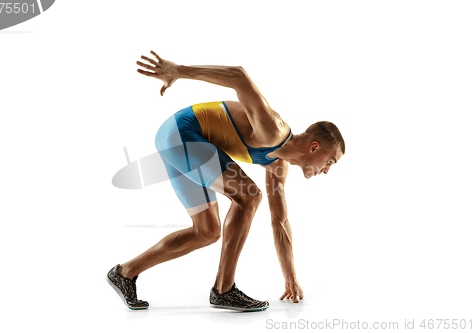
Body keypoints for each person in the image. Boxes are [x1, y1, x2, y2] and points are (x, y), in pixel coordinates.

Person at [106, 51, 345, 312]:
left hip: (181, 144)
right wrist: (179, 70)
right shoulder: (274, 130)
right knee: (249, 196)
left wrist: (290, 278)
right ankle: (224, 290)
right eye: (330, 161)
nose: (326, 170)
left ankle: (125, 272)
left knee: (206, 231)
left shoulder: (277, 166)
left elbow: (280, 222)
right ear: (314, 147)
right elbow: (239, 76)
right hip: (182, 133)